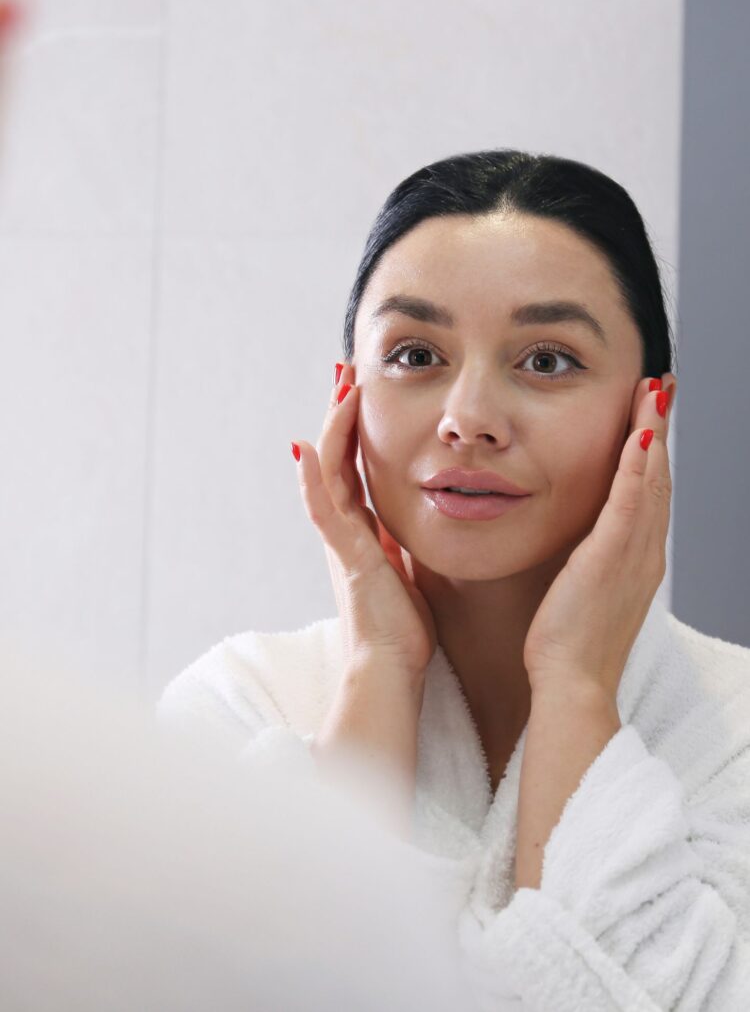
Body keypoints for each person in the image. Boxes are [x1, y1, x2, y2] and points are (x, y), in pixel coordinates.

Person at [157, 149, 750, 1009]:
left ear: (649, 410)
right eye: (413, 355)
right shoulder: (237, 705)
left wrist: (578, 685)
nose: (467, 419)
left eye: (547, 360)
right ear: (346, 395)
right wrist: (377, 671)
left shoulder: (736, 731)